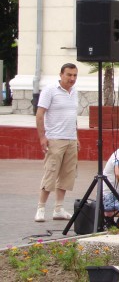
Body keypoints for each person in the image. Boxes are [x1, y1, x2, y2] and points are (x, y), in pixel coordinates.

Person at [35, 63, 81, 222]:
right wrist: (42, 137)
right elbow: (40, 114)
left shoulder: (74, 91)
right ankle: (41, 208)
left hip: (71, 139)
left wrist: (77, 137)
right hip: (55, 139)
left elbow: (73, 116)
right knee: (50, 173)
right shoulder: (50, 90)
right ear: (61, 74)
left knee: (67, 175)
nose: (72, 78)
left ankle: (59, 208)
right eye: (69, 75)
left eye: (75, 75)